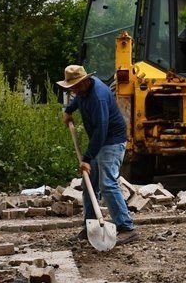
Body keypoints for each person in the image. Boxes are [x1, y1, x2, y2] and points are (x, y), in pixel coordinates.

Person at [58, 65, 137, 244]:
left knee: (107, 184)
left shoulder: (98, 96)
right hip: (98, 140)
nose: (74, 90)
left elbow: (102, 130)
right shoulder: (83, 91)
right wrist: (69, 110)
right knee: (89, 184)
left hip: (112, 141)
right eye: (72, 88)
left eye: (77, 86)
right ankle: (90, 227)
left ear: (86, 81)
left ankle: (126, 227)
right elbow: (78, 100)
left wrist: (87, 159)